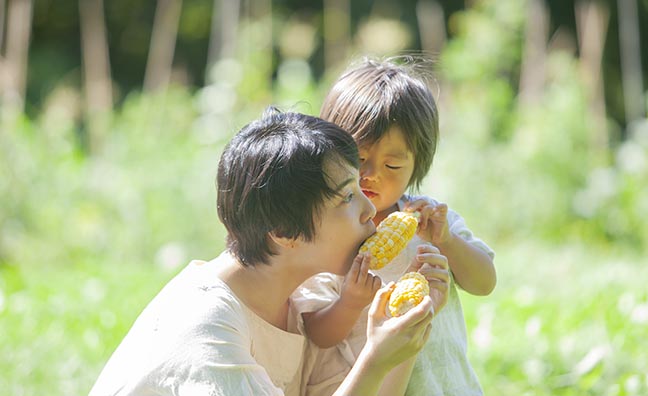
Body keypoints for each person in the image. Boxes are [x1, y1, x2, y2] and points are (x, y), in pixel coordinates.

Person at [88, 108, 451, 396]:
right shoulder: (206, 328)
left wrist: (409, 328)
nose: (371, 210)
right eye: (346, 197)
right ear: (283, 231)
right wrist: (373, 359)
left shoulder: (301, 302)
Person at [295, 57, 497, 396]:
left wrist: (448, 242)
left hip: (447, 385)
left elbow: (485, 281)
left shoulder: (431, 221)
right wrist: (350, 301)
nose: (371, 173)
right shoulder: (324, 233)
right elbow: (318, 333)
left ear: (417, 165)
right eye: (358, 159)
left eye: (392, 164)